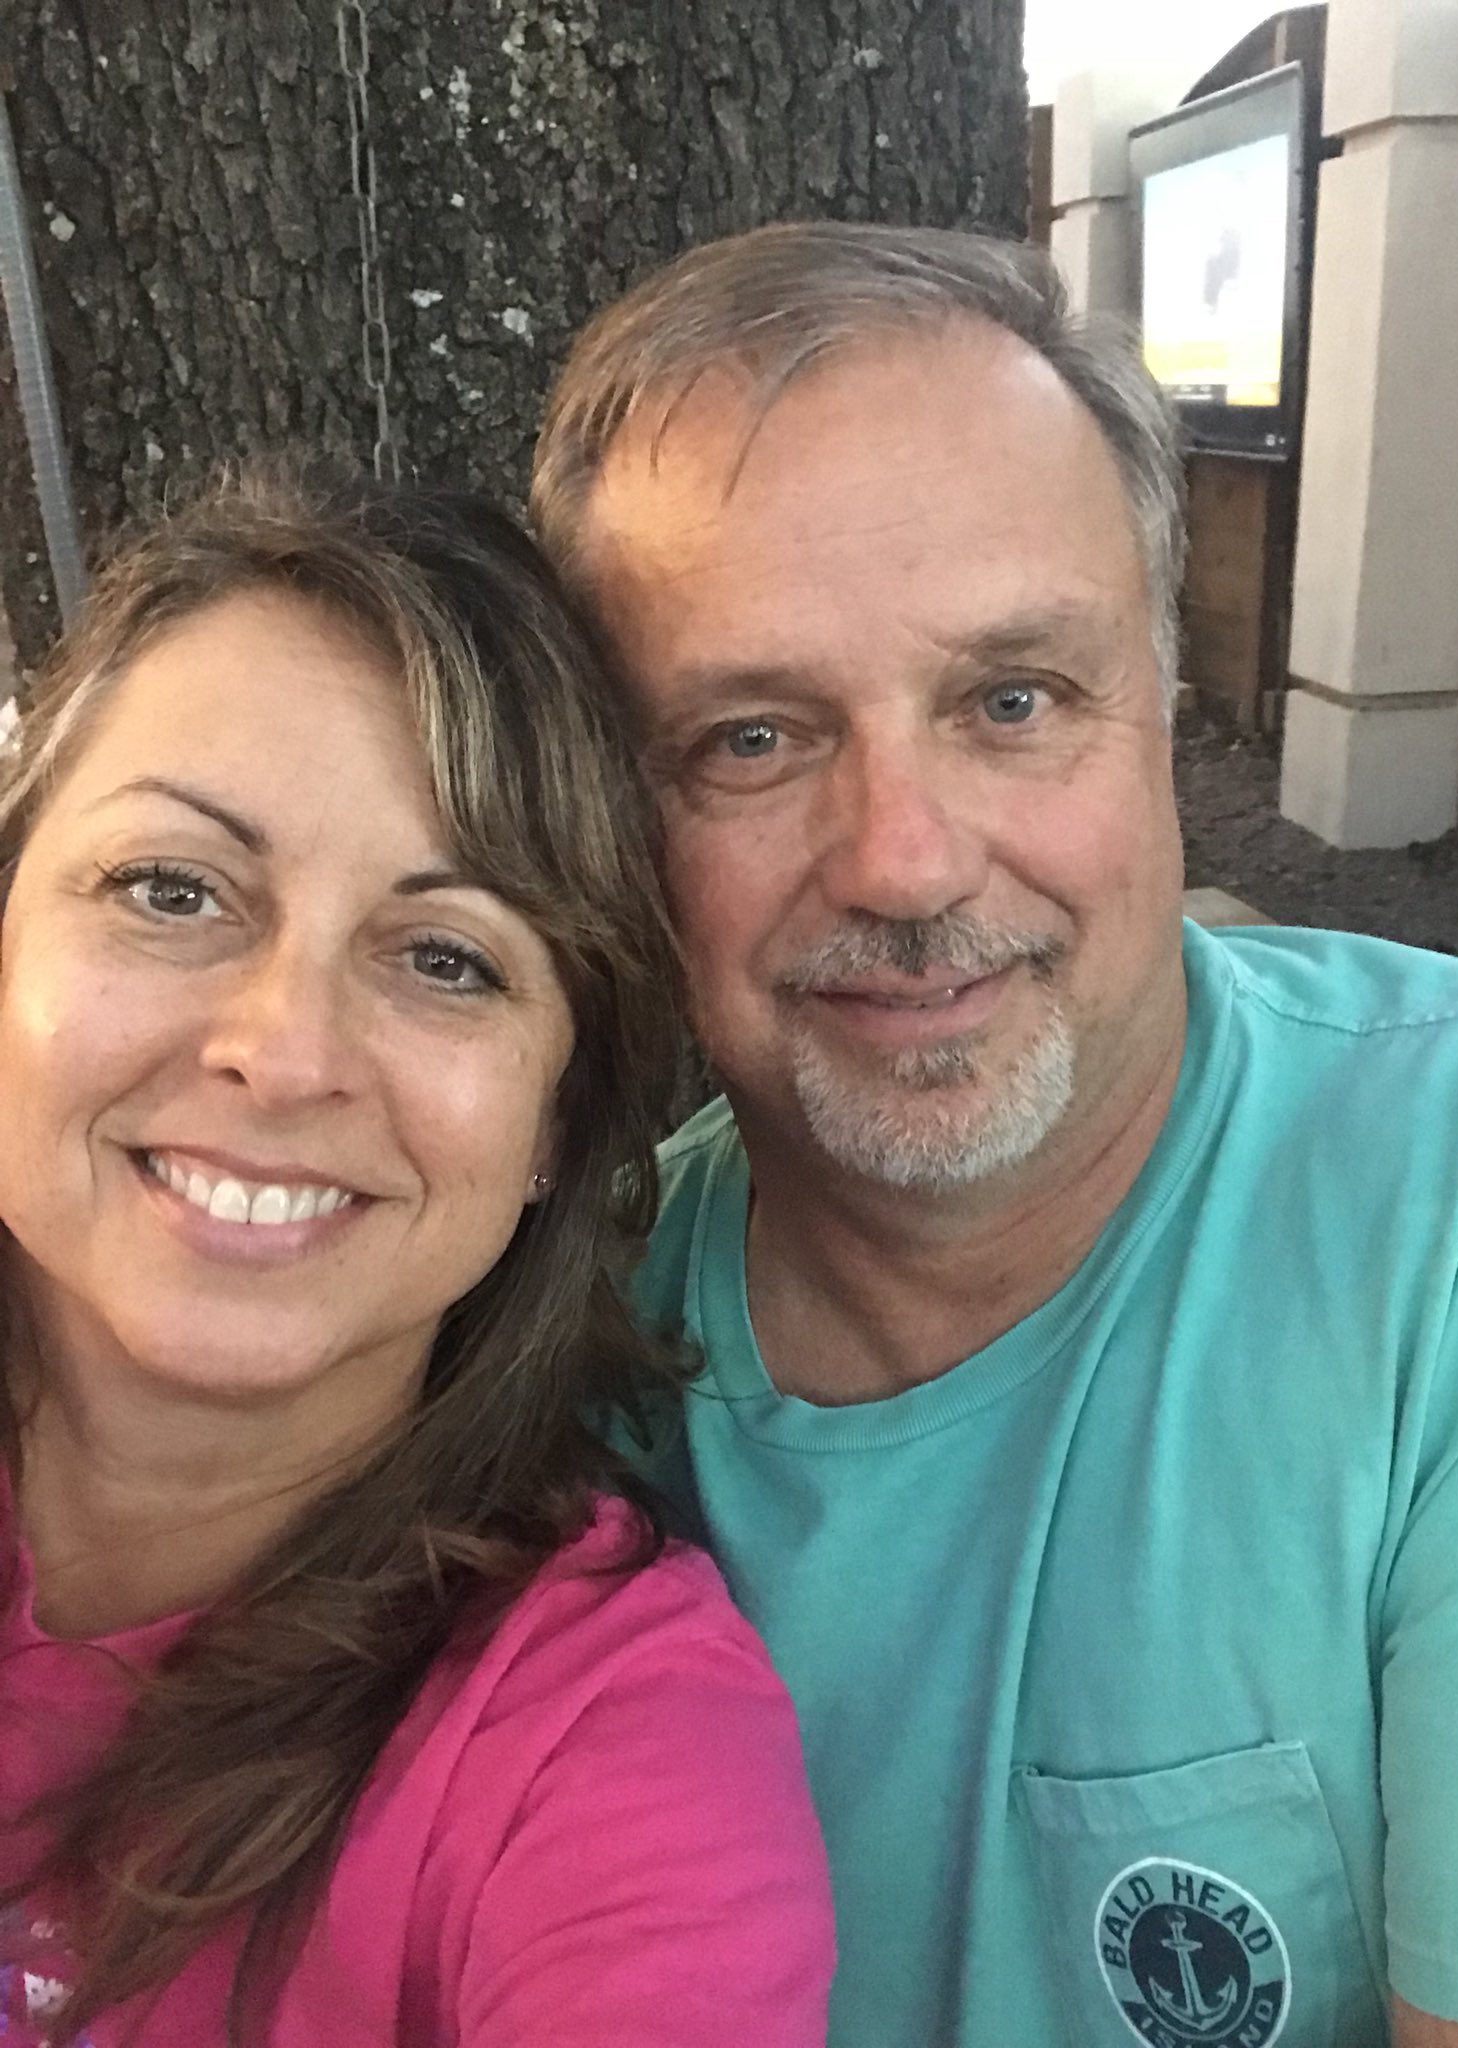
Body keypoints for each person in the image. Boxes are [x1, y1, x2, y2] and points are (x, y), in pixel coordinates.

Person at [530, 221, 1458, 2048]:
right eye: (750, 739)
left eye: (1011, 701)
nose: (905, 861)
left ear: (1160, 713)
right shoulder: (554, 1355)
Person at [0, 463, 834, 2047]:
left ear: (553, 1126)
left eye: (446, 959)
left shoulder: (605, 1755)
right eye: (171, 889)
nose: (283, 1053)